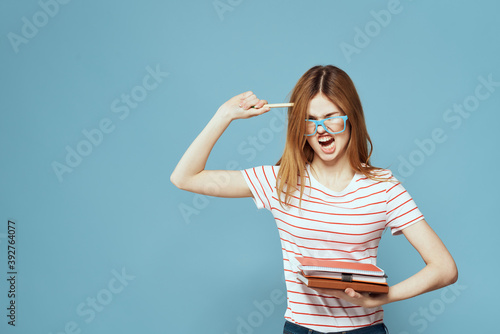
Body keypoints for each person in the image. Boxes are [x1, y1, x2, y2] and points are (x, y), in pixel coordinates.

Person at [170, 65, 458, 334]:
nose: (321, 130)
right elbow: (185, 177)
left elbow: (444, 268)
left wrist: (382, 297)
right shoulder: (281, 180)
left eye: (331, 117)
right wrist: (224, 115)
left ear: (351, 117)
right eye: (311, 120)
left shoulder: (383, 188)